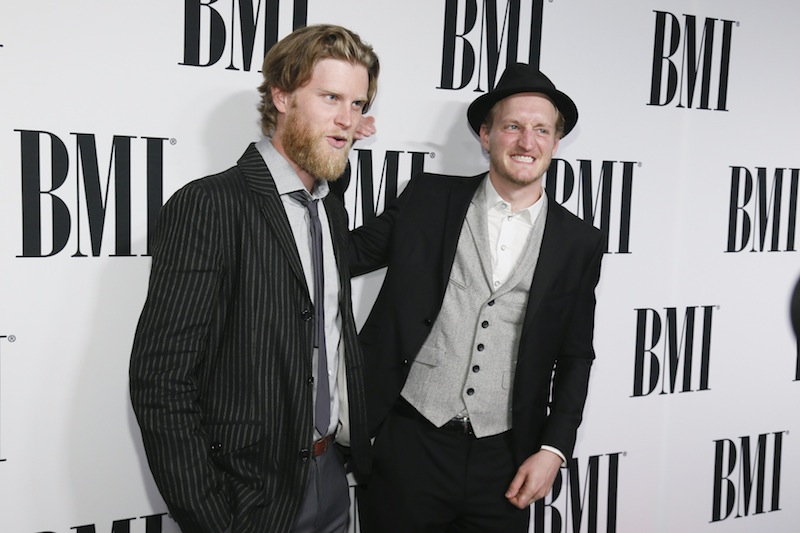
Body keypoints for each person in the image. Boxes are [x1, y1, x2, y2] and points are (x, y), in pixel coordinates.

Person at [129, 24, 379, 533]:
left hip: (333, 477)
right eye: (330, 97)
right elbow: (161, 381)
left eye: (357, 104)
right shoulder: (211, 205)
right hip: (250, 497)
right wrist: (211, 518)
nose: (347, 119)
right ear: (282, 96)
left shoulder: (328, 209)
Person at [349, 63, 604, 532]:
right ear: (486, 136)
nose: (527, 142)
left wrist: (553, 449)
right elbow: (342, 257)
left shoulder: (579, 241)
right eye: (512, 126)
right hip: (408, 444)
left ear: (555, 142)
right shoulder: (429, 198)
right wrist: (334, 159)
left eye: (541, 129)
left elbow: (575, 356)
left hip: (505, 461)